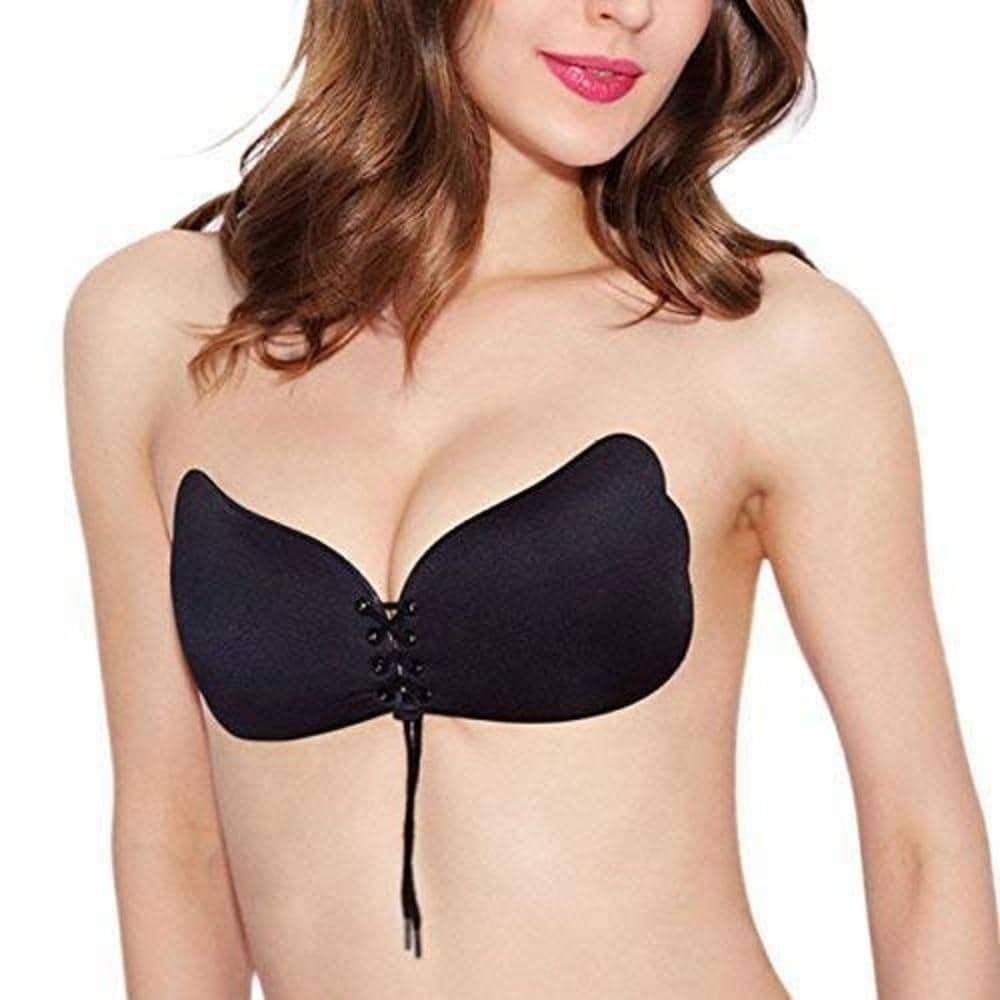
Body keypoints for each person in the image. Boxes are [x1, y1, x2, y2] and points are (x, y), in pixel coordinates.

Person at [64, 1, 1000, 997]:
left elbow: (920, 844)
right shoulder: (158, 328)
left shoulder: (767, 346)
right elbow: (175, 835)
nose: (629, 10)